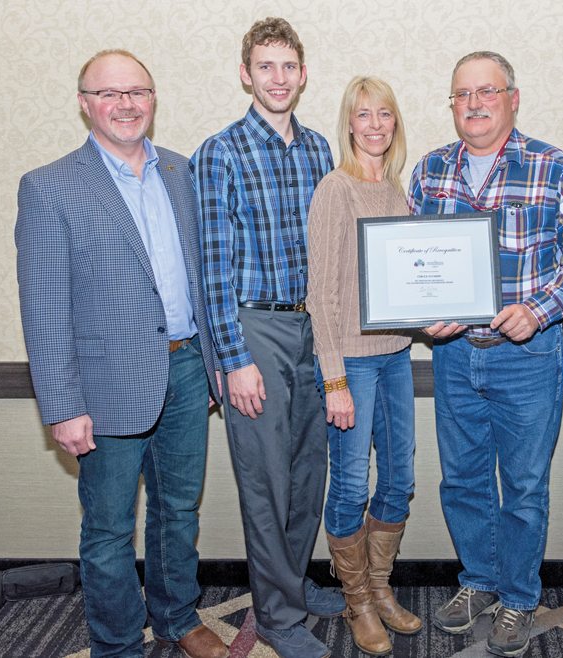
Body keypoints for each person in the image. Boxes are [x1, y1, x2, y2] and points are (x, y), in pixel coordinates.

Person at [16, 50, 227, 658]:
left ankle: (177, 617)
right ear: (84, 103)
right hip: (104, 386)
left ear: (153, 100)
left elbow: (203, 274)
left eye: (138, 91)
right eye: (110, 94)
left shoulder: (183, 173)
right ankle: (114, 643)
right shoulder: (50, 186)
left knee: (178, 510)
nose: (126, 104)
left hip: (188, 368)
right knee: (108, 530)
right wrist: (62, 405)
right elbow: (45, 310)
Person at [408, 50, 563, 657]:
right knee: (462, 480)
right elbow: (415, 262)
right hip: (453, 354)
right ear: (452, 104)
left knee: (522, 486)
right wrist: (426, 312)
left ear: (512, 98)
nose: (474, 103)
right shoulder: (429, 170)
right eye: (462, 94)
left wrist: (539, 309)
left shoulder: (552, 166)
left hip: (527, 355)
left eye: (486, 91)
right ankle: (478, 582)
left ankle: (520, 597)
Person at [190, 17, 343, 658]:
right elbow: (213, 267)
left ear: (302, 75)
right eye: (265, 67)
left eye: (289, 67)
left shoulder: (318, 152)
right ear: (246, 74)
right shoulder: (219, 152)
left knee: (310, 469)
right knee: (266, 479)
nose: (277, 79)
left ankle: (295, 584)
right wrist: (233, 359)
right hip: (254, 328)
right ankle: (277, 615)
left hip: (314, 325)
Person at [306, 76, 421, 656]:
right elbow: (320, 294)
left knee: (400, 479)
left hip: (398, 354)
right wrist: (334, 379)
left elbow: (412, 281)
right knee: (351, 485)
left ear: (394, 122)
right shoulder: (336, 189)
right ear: (349, 122)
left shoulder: (399, 190)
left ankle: (380, 587)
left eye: (384, 114)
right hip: (352, 360)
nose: (375, 124)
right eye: (363, 115)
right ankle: (356, 601)